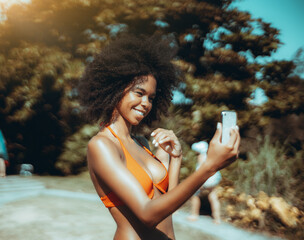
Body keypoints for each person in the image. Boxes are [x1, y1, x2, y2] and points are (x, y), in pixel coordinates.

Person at [79, 35, 240, 239]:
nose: (146, 103)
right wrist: (209, 167)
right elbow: (147, 214)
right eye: (139, 93)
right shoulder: (101, 145)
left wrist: (176, 158)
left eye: (151, 98)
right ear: (115, 89)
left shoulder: (141, 143)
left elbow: (167, 206)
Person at [187, 141, 222, 224]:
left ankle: (194, 214)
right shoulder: (209, 155)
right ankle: (217, 218)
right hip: (215, 178)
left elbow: (201, 170)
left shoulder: (201, 156)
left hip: (207, 179)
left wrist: (198, 181)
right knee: (213, 195)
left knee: (195, 194)